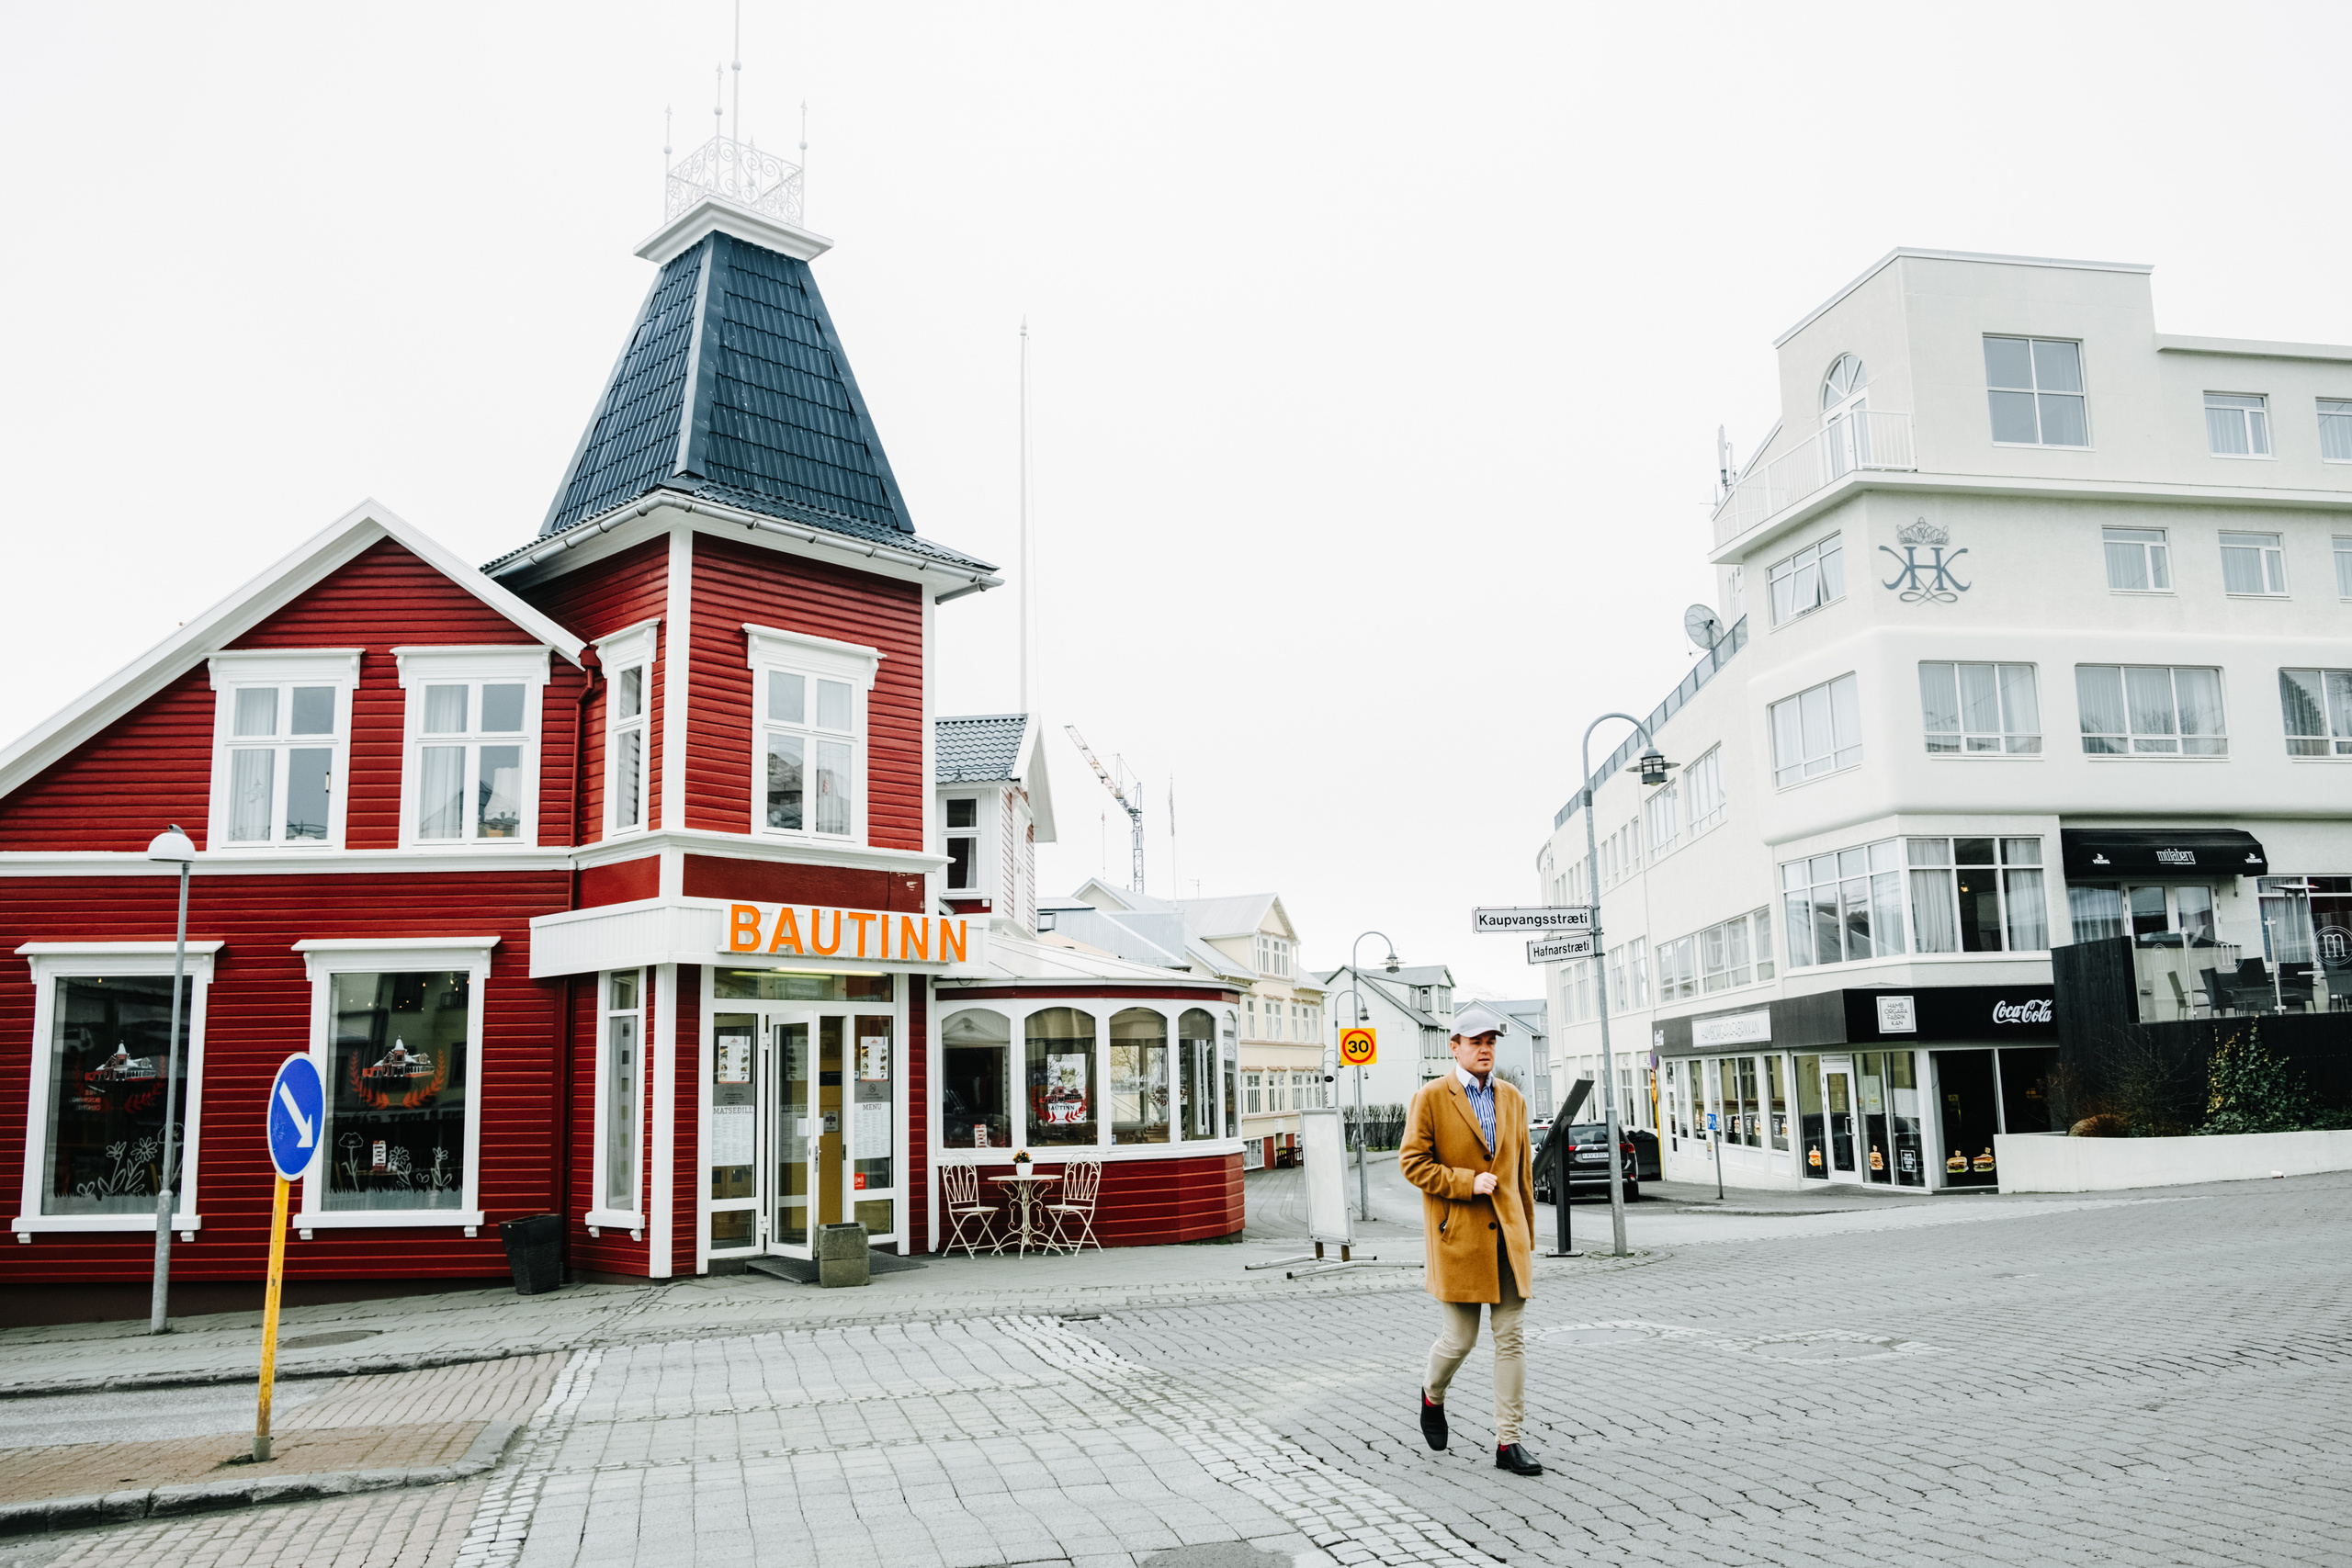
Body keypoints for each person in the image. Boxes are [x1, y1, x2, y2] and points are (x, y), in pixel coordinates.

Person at [1396, 1001, 1541, 1476]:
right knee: (1461, 1340)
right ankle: (1432, 1395)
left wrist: (1527, 1238)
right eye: (1475, 1041)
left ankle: (1509, 1441)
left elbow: (1522, 1176)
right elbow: (1412, 1163)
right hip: (1458, 1238)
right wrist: (1465, 1182)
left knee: (1511, 1339)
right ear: (1453, 1047)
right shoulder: (1432, 1098)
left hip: (1507, 1239)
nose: (1485, 1049)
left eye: (1491, 1041)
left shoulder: (1513, 1099)